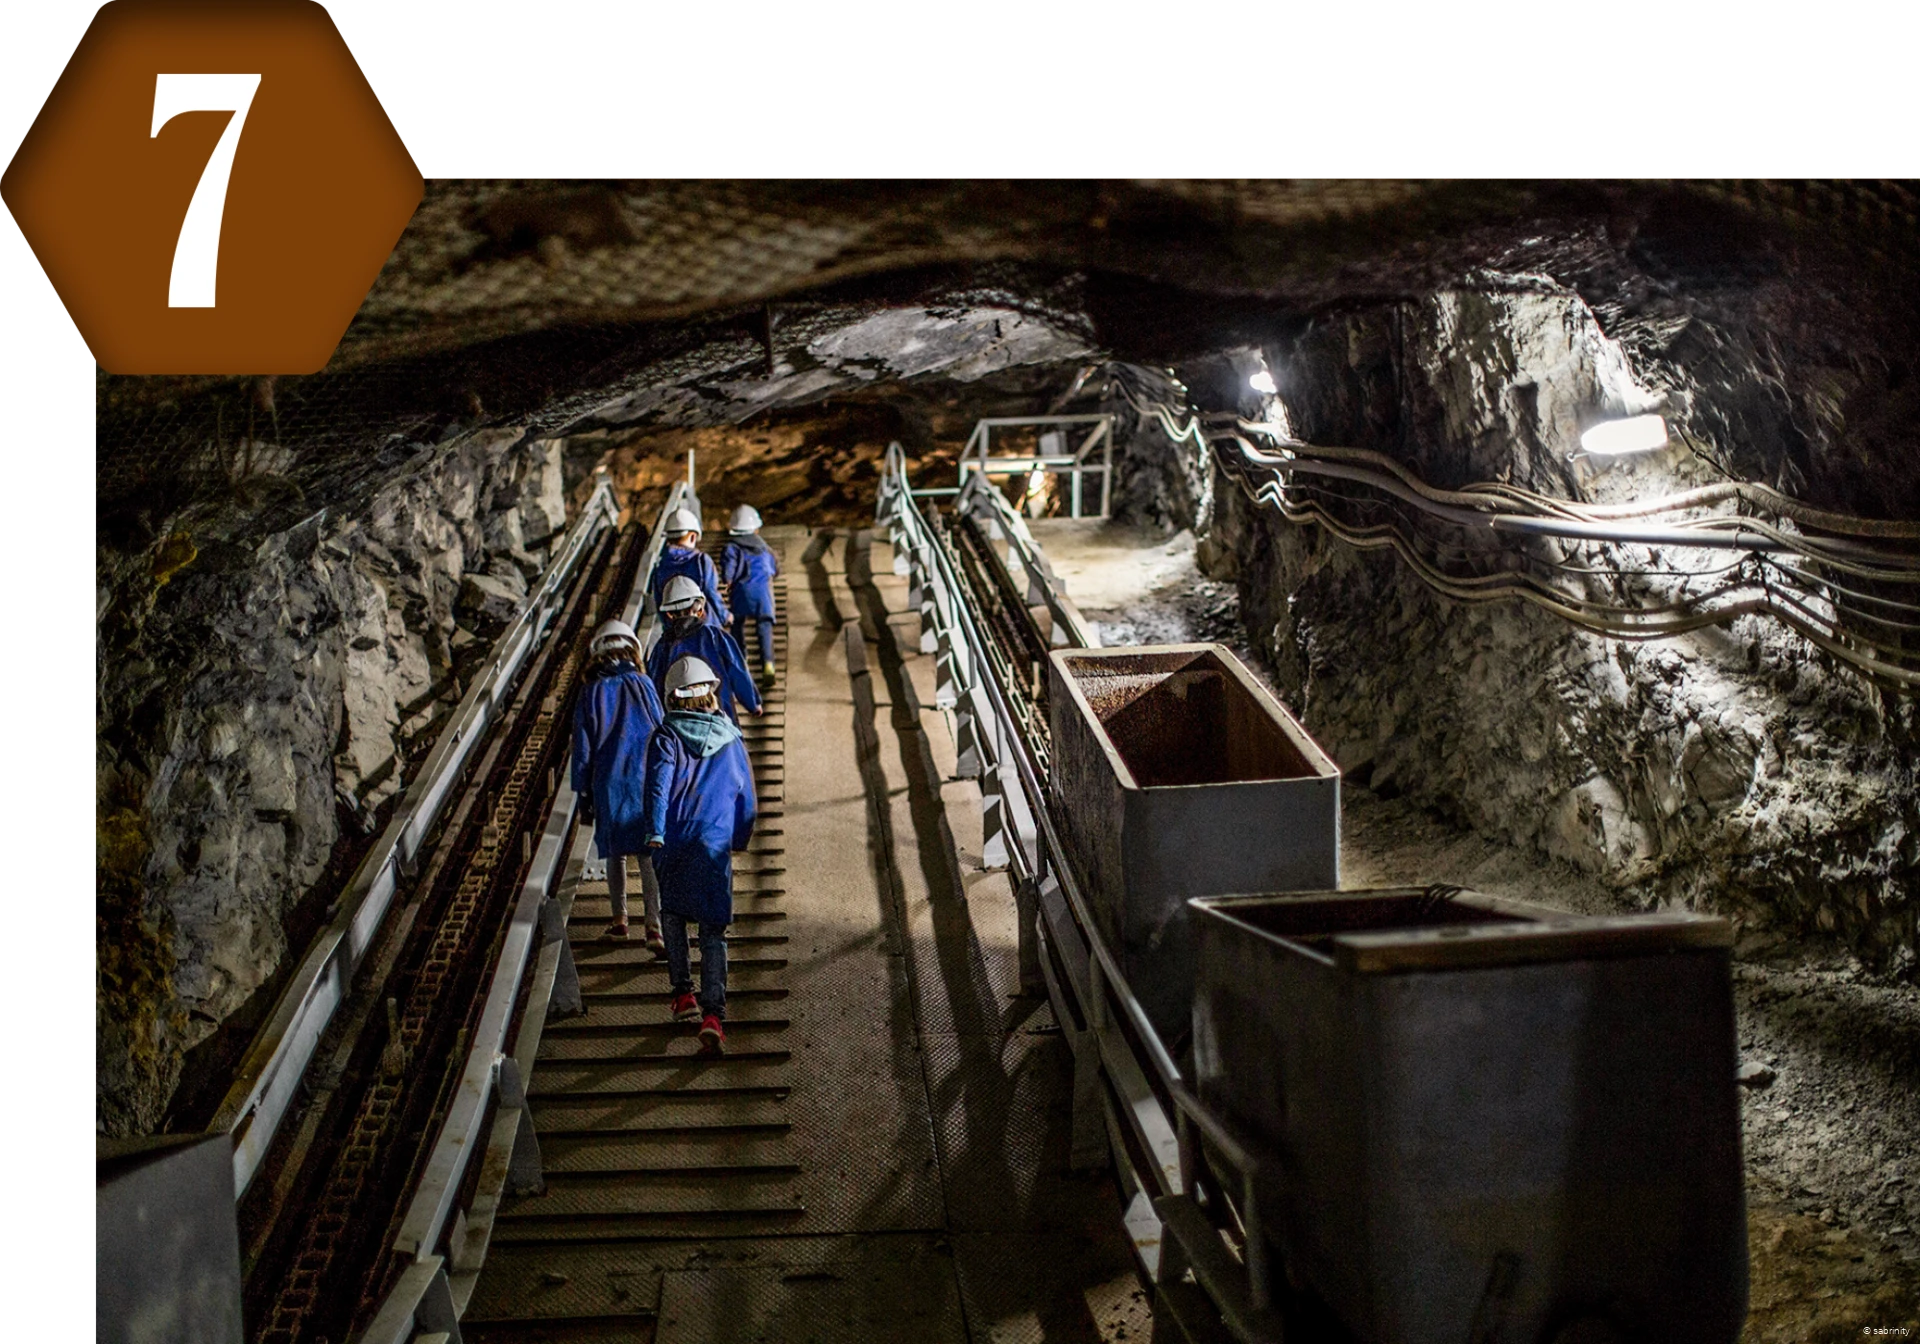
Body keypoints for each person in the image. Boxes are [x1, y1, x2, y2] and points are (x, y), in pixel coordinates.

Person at [644, 655, 757, 1055]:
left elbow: (658, 787)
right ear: (712, 693)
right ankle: (713, 1015)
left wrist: (655, 831)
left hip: (674, 841)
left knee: (673, 917)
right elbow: (746, 799)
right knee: (713, 932)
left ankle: (683, 995)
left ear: (671, 698)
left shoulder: (665, 737)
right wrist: (739, 838)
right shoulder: (732, 740)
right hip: (713, 845)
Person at [570, 619, 667, 953]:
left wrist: (582, 794)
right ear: (632, 651)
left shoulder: (591, 692)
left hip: (608, 784)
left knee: (616, 854)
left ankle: (619, 920)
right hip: (644, 780)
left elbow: (582, 750)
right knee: (648, 855)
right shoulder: (644, 683)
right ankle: (654, 927)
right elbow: (661, 730)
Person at [647, 575, 762, 721]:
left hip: (678, 725)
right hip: (721, 718)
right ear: (700, 610)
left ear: (669, 614)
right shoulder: (716, 637)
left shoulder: (661, 648)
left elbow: (654, 686)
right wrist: (752, 703)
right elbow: (738, 670)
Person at [719, 504, 780, 681]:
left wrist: (727, 582)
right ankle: (768, 663)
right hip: (763, 593)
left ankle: (741, 661)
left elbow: (729, 571)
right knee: (764, 626)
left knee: (737, 624)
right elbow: (775, 569)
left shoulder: (731, 547)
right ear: (755, 528)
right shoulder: (765, 548)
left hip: (741, 591)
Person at [650, 506, 729, 628]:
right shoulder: (701, 561)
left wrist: (668, 628)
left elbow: (659, 602)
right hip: (705, 626)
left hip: (675, 630)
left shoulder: (659, 566)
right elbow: (711, 592)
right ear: (693, 536)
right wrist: (725, 616)